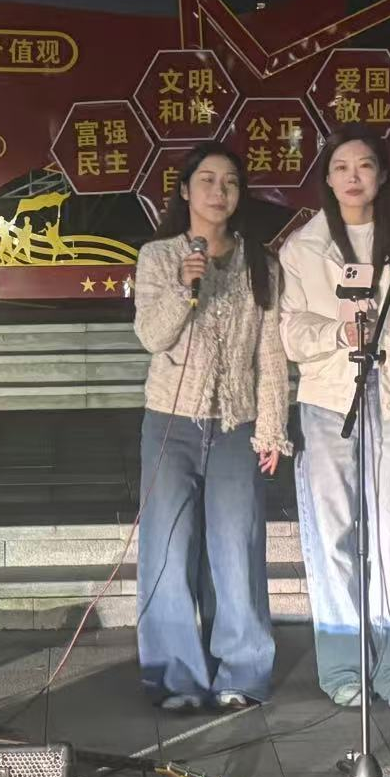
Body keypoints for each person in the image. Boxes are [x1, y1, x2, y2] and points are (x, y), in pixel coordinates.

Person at [279, 123, 390, 711]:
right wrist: (338, 332)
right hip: (329, 399)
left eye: (365, 166)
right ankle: (344, 665)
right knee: (334, 534)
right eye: (341, 167)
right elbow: (290, 331)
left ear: (382, 176)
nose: (353, 177)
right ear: (327, 179)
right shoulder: (303, 248)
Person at [132, 141, 292, 712]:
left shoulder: (262, 264)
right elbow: (152, 336)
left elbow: (270, 354)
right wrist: (184, 286)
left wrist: (270, 428)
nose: (218, 191)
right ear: (185, 190)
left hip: (236, 426)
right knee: (168, 549)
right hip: (170, 423)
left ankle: (242, 672)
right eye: (207, 180)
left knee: (236, 548)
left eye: (229, 182)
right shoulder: (158, 256)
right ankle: (175, 677)